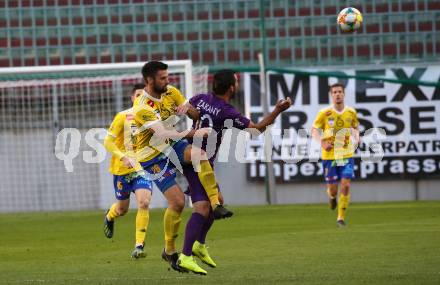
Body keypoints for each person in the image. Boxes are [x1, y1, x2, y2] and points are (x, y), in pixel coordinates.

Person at [176, 69, 292, 275]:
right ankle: (185, 255)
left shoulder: (200, 98)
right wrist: (278, 110)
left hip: (192, 154)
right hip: (196, 160)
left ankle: (199, 245)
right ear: (231, 87)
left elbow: (187, 110)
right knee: (203, 208)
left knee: (216, 202)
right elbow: (256, 130)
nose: (236, 84)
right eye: (236, 81)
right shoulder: (227, 111)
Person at [131, 61, 232, 272]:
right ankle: (169, 251)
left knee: (199, 154)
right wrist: (194, 133)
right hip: (152, 156)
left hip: (172, 144)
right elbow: (162, 133)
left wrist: (190, 110)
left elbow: (193, 114)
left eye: (168, 77)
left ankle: (216, 204)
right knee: (178, 203)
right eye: (163, 78)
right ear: (149, 80)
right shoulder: (141, 107)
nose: (168, 81)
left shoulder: (171, 92)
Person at [103, 83, 152, 259]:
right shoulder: (123, 117)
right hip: (121, 169)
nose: (141, 98)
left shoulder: (152, 119)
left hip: (142, 168)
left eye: (144, 95)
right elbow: (107, 142)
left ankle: (139, 245)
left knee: (144, 202)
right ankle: (110, 215)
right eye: (138, 94)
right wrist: (123, 156)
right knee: (122, 209)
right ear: (132, 98)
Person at [311, 83, 359, 227]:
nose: (337, 94)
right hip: (329, 156)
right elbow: (314, 130)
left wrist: (357, 137)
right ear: (331, 95)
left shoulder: (351, 112)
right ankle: (332, 197)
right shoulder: (324, 113)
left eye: (340, 92)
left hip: (346, 154)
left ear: (344, 94)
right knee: (333, 189)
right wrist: (322, 143)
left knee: (345, 185)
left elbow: (355, 127)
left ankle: (340, 218)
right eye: (335, 92)